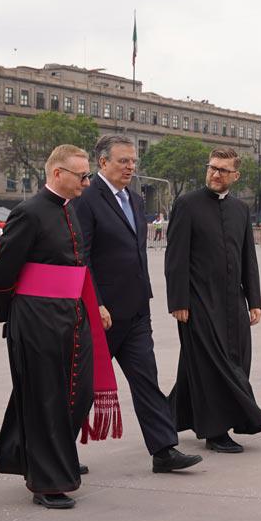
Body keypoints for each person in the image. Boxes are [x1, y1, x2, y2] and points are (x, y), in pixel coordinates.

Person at [0, 144, 121, 510]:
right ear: (57, 174)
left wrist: (92, 307)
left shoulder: (70, 210)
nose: (87, 181)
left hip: (71, 314)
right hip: (37, 319)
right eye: (82, 176)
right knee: (47, 398)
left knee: (78, 393)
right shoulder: (28, 213)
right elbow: (1, 275)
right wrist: (13, 317)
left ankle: (31, 452)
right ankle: (47, 481)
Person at [74, 135, 201, 474]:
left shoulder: (133, 198)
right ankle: (58, 451)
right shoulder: (87, 201)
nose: (131, 166)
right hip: (102, 314)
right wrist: (96, 303)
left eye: (133, 161)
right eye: (123, 161)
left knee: (147, 379)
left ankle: (164, 450)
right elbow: (82, 257)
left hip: (136, 310)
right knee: (84, 385)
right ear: (103, 163)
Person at [165, 146, 261, 453]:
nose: (215, 173)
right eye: (212, 167)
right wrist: (178, 301)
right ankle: (216, 430)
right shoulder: (187, 204)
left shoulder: (240, 209)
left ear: (235, 176)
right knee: (214, 365)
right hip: (198, 300)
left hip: (232, 301)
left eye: (223, 170)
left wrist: (255, 300)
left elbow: (247, 257)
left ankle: (168, 416)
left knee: (230, 359)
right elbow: (175, 257)